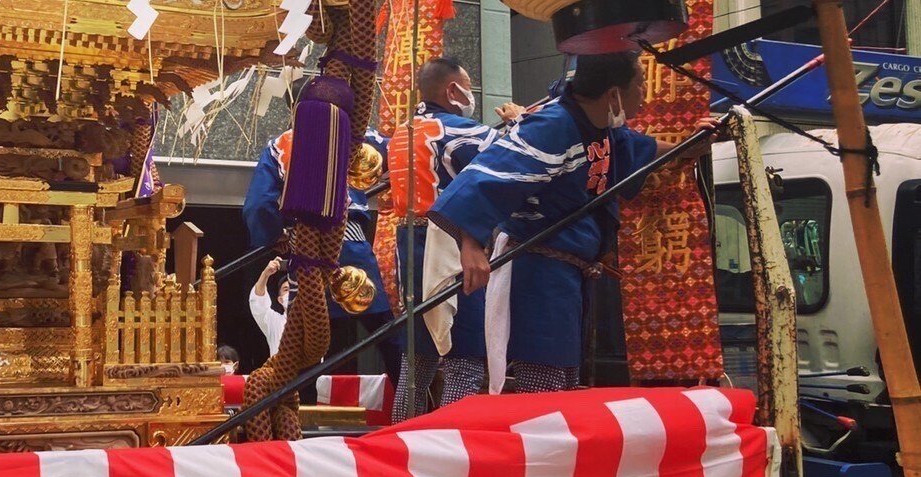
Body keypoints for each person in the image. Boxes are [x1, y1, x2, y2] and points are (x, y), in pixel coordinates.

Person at [429, 51, 714, 403]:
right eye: (640, 84)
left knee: (564, 382)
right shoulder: (552, 125)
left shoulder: (601, 129)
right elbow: (485, 178)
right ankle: (538, 451)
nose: (645, 92)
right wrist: (470, 245)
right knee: (543, 387)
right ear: (613, 94)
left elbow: (640, 148)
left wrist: (688, 147)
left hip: (569, 272)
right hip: (536, 269)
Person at [386, 57, 521, 419]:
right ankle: (450, 438)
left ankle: (402, 440)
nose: (471, 95)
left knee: (417, 363)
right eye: (468, 87)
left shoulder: (401, 132)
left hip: (408, 246)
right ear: (452, 90)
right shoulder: (460, 131)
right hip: (449, 244)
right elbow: (511, 157)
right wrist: (519, 122)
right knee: (466, 359)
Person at [243, 125, 402, 380]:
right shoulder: (357, 134)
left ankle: (297, 414)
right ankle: (412, 407)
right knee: (388, 336)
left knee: (303, 344)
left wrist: (274, 235)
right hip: (351, 244)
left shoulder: (281, 144)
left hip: (305, 251)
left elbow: (259, 204)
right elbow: (399, 153)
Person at [247, 256, 294, 357]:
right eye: (286, 289)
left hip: (312, 372)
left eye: (294, 288)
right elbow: (258, 302)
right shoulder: (274, 321)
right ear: (280, 299)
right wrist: (265, 274)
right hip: (282, 371)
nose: (291, 293)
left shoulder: (314, 320)